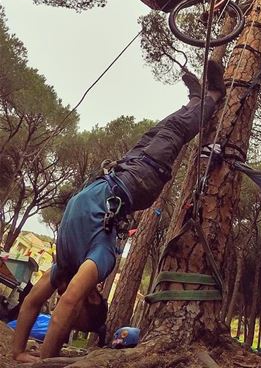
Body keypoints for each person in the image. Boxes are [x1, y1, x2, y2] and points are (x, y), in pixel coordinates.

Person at [11, 62, 226, 363]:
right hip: (140, 178)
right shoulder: (99, 258)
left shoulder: (64, 265)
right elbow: (68, 301)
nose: (63, 306)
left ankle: (195, 100)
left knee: (161, 129)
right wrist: (48, 361)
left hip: (124, 170)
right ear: (93, 296)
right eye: (75, 315)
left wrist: (20, 351)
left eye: (69, 316)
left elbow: (31, 304)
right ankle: (214, 96)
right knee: (175, 131)